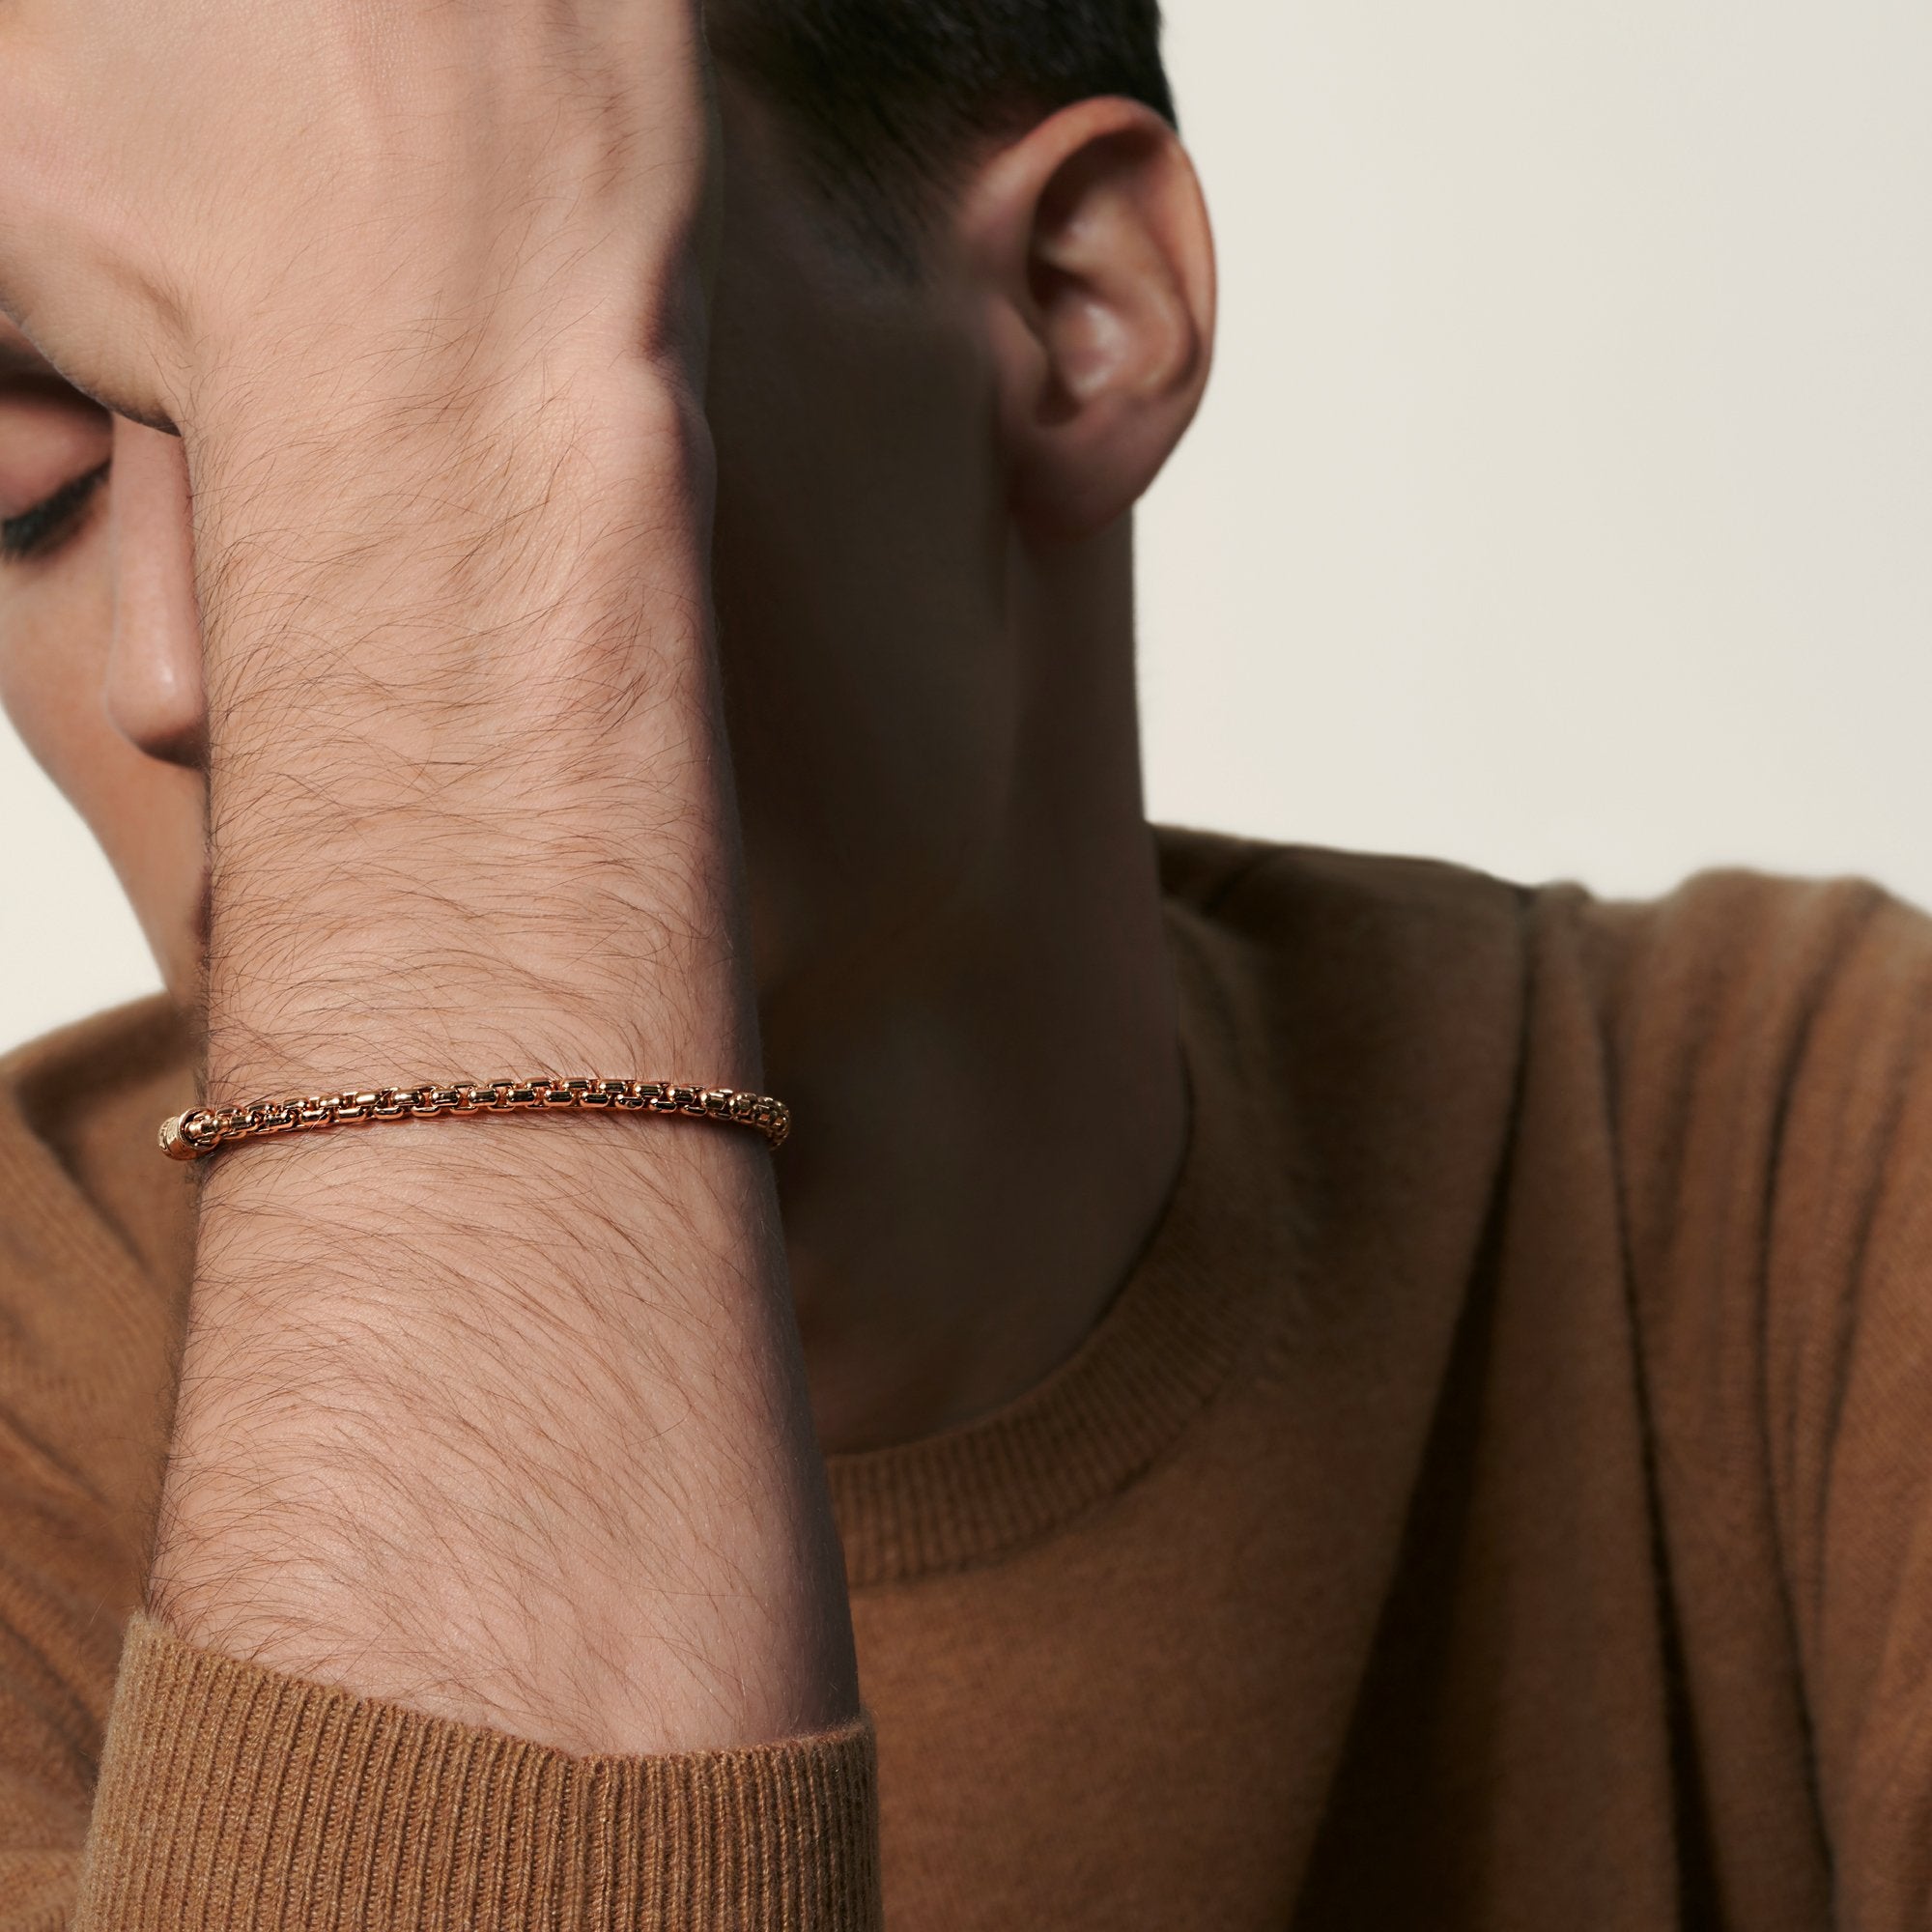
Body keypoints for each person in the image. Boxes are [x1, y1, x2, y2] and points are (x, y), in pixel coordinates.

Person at [1, 1, 1929, 1927]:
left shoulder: (1807, 1188)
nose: (170, 672)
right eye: (31, 477)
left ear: (1075, 311)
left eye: (432, 342)